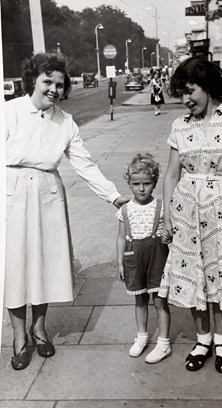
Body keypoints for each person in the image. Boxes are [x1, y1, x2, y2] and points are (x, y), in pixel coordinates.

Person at [5, 53, 128, 371]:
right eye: (47, 81)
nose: (53, 89)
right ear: (33, 78)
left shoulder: (66, 122)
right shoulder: (9, 111)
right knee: (15, 265)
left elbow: (85, 165)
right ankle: (20, 337)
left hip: (48, 192)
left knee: (44, 263)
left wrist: (114, 198)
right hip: (12, 192)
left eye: (59, 85)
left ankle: (39, 328)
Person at [159, 56, 222, 374]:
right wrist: (168, 217)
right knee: (192, 272)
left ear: (207, 85)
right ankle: (203, 340)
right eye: (181, 94)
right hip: (186, 209)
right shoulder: (180, 126)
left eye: (190, 92)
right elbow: (171, 175)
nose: (186, 101)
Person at [116, 153, 171, 363]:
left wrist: (168, 235)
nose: (141, 189)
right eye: (136, 184)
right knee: (140, 300)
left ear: (155, 183)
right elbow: (121, 237)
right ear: (129, 184)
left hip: (157, 259)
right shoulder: (125, 209)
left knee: (160, 301)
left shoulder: (161, 207)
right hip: (134, 260)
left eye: (146, 183)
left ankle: (164, 343)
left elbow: (169, 232)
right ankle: (141, 337)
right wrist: (120, 263)